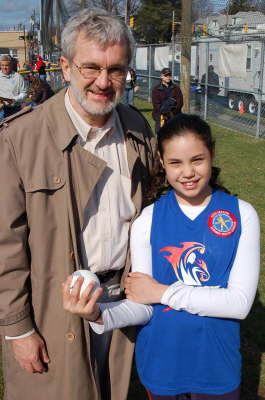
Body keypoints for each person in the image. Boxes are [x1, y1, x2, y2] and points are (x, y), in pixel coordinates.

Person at [0, 8, 155, 400]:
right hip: (53, 314)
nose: (103, 82)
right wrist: (19, 329)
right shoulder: (20, 139)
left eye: (116, 70)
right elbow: (6, 246)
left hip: (126, 307)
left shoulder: (138, 130)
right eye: (90, 68)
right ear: (65, 68)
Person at [63, 114, 260, 400]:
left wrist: (163, 292)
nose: (188, 172)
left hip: (216, 367)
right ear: (161, 161)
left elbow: (239, 304)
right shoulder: (148, 219)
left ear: (212, 154)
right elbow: (143, 306)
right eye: (175, 163)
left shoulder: (242, 214)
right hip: (161, 366)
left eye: (197, 160)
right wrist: (97, 313)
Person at [152, 67, 183, 133]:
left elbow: (180, 103)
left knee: (174, 135)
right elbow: (156, 105)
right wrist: (165, 112)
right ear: (161, 76)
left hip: (174, 115)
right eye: (166, 75)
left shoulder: (176, 88)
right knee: (161, 134)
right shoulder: (156, 89)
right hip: (161, 116)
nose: (168, 77)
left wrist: (172, 113)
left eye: (169, 75)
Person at [0, 55, 27, 120]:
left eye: (6, 65)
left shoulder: (18, 77)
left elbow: (24, 93)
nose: (4, 67)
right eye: (2, 65)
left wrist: (15, 99)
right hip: (2, 111)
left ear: (11, 65)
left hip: (15, 109)